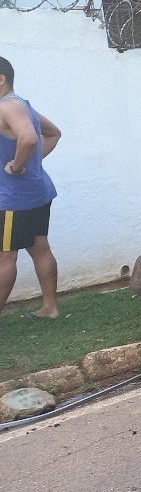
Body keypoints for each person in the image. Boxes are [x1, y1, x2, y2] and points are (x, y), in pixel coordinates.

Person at [0, 56, 62, 318]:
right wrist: (32, 163)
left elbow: (27, 139)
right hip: (37, 193)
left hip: (15, 199)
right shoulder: (20, 105)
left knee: (5, 258)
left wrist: (16, 166)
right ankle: (50, 308)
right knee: (40, 248)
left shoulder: (7, 107)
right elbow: (53, 133)